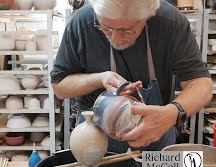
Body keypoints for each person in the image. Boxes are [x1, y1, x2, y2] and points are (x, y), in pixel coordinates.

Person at [51, 0, 213, 153]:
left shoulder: (170, 22)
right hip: (95, 144)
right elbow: (59, 87)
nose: (114, 39)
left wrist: (172, 114)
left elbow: (201, 85)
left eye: (127, 30)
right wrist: (99, 79)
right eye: (105, 27)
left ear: (148, 17)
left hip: (156, 135)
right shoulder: (82, 23)